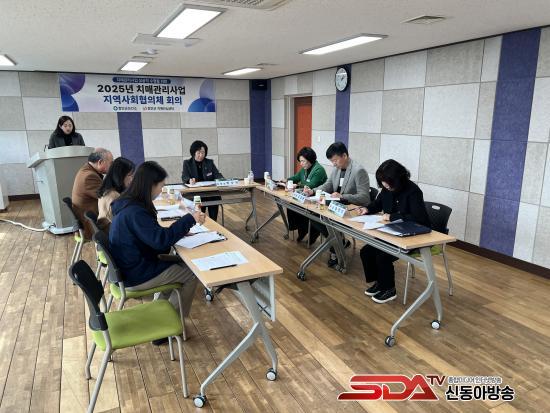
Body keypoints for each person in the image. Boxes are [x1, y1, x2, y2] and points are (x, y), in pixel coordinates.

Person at [109, 161, 205, 344]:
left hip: (130, 267)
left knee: (180, 264)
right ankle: (169, 328)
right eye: (161, 186)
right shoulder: (135, 211)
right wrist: (189, 220)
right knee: (192, 273)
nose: (161, 190)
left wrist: (179, 231)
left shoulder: (127, 204)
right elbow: (161, 241)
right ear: (150, 185)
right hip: (136, 274)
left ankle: (162, 318)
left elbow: (155, 239)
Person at [357, 159, 431, 304]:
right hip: (392, 232)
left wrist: (393, 217)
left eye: (387, 183)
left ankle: (389, 289)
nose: (384, 186)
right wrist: (367, 209)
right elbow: (378, 203)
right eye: (382, 183)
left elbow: (418, 218)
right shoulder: (387, 188)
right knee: (366, 251)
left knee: (382, 255)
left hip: (413, 236)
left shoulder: (413, 191)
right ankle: (380, 282)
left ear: (397, 179)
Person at [303, 142, 370, 266]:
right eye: (332, 161)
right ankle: (339, 242)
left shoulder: (358, 171)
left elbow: (365, 197)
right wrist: (312, 191)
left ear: (344, 156)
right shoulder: (337, 168)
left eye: (335, 160)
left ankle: (336, 248)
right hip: (334, 206)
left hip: (349, 209)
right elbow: (328, 185)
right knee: (313, 214)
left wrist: (343, 197)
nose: (333, 164)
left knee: (324, 218)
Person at [283, 147, 327, 242]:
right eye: (300, 161)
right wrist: (286, 180)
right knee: (292, 206)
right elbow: (296, 177)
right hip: (306, 197)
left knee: (299, 207)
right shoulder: (305, 169)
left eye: (303, 161)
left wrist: (297, 185)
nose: (301, 163)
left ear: (310, 159)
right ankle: (302, 230)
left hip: (317, 200)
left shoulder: (319, 170)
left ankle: (310, 231)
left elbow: (311, 185)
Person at [71, 148, 113, 239]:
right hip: (90, 226)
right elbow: (109, 197)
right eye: (111, 163)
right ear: (100, 162)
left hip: (88, 218)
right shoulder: (89, 176)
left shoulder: (87, 169)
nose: (112, 166)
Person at [181, 140, 224, 221]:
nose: (201, 155)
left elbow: (217, 174)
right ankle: (200, 224)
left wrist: (221, 179)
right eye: (198, 153)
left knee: (214, 200)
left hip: (210, 193)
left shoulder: (209, 162)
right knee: (200, 214)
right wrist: (189, 180)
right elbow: (184, 176)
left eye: (203, 153)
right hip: (195, 194)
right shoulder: (187, 163)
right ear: (194, 153)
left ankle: (213, 223)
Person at [97, 157, 135, 232]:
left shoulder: (107, 190)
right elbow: (127, 222)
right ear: (120, 176)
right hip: (114, 234)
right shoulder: (114, 196)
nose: (132, 179)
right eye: (130, 175)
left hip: (110, 231)